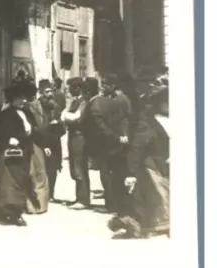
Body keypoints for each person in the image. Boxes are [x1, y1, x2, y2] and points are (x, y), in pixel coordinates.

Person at [110, 84, 169, 238]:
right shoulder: (149, 123)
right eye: (166, 102)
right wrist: (131, 173)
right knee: (159, 200)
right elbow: (137, 148)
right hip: (154, 169)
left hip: (169, 167)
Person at [0, 80, 39, 227]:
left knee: (21, 181)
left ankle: (14, 210)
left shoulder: (28, 113)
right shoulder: (5, 115)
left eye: (25, 98)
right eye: (20, 98)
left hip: (24, 152)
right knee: (9, 183)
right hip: (10, 155)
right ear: (13, 99)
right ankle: (13, 214)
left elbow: (34, 129)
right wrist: (8, 139)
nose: (23, 101)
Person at [88, 74, 131, 214]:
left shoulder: (115, 101)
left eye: (106, 84)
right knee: (115, 174)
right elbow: (123, 120)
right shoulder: (113, 100)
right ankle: (117, 204)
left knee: (108, 174)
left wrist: (119, 136)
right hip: (116, 142)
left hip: (109, 143)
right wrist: (122, 135)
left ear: (113, 86)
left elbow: (105, 126)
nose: (103, 87)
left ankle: (112, 204)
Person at [62, 77, 90, 209]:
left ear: (78, 88)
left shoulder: (84, 102)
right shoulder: (75, 101)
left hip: (79, 137)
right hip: (73, 136)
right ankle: (79, 197)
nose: (69, 91)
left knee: (79, 166)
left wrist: (65, 115)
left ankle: (83, 200)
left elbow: (75, 118)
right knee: (74, 165)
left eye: (71, 88)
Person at [24, 80, 51, 214]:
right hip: (35, 143)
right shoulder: (31, 107)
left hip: (35, 142)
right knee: (37, 173)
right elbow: (36, 128)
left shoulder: (38, 106)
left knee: (34, 173)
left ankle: (36, 205)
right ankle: (37, 205)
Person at [37, 79, 65, 201]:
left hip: (55, 141)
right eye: (47, 92)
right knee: (42, 168)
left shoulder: (55, 106)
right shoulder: (37, 105)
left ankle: (51, 194)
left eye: (51, 91)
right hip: (42, 141)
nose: (50, 94)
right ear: (41, 92)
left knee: (53, 169)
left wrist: (58, 123)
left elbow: (62, 126)